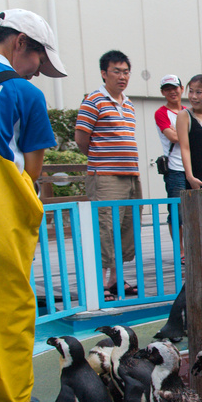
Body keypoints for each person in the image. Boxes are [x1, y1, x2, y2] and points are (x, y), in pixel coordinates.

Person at [0, 5, 67, 402]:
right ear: (20, 42)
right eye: (39, 59)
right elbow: (32, 171)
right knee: (9, 306)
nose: (38, 71)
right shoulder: (24, 94)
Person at [76, 50, 141, 300]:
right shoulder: (94, 100)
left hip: (130, 174)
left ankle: (115, 279)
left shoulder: (129, 103)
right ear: (104, 73)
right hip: (105, 176)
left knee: (126, 228)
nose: (122, 76)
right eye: (116, 71)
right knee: (104, 228)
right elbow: (81, 138)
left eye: (126, 72)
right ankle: (99, 283)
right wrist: (100, 159)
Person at [154, 74, 186, 263]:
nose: (172, 92)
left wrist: (179, 133)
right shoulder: (161, 113)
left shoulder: (187, 112)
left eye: (175, 88)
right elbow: (173, 137)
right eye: (167, 89)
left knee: (193, 210)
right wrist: (185, 133)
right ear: (162, 92)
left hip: (192, 167)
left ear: (182, 89)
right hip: (174, 168)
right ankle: (180, 250)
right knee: (177, 211)